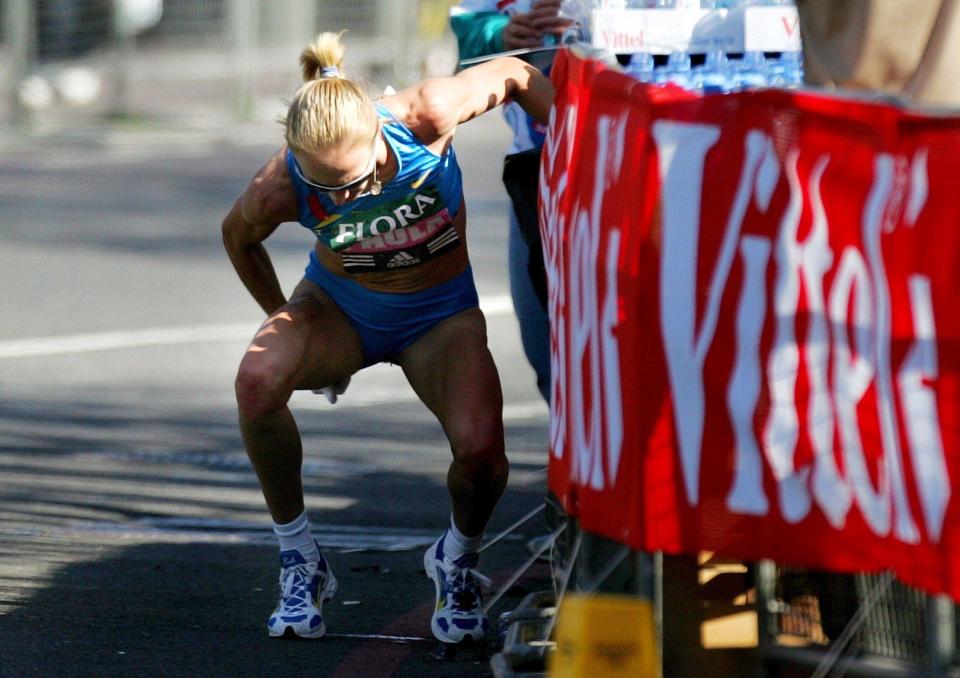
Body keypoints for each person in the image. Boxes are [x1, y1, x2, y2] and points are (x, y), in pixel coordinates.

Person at [220, 31, 554, 644]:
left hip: (439, 318)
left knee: (484, 458)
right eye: (331, 190)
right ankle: (300, 559)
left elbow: (514, 73)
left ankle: (455, 559)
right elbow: (237, 237)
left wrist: (578, 143)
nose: (347, 197)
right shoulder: (281, 184)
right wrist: (283, 317)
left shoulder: (426, 114)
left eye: (357, 179)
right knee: (257, 380)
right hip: (340, 310)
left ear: (379, 132)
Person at [450, 0, 573, 404]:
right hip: (536, 168)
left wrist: (597, 29)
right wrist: (500, 35)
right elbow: (467, 33)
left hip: (621, 159)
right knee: (541, 337)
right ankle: (566, 450)